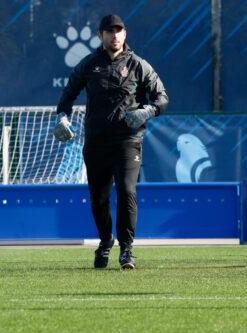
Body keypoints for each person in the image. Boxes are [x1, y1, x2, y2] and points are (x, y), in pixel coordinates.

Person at [54, 14, 168, 270]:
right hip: (96, 142)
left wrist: (147, 111)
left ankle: (127, 250)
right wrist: (63, 117)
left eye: (119, 30)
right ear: (100, 36)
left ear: (125, 35)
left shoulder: (139, 65)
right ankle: (106, 241)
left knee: (127, 191)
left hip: (128, 140)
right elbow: (68, 94)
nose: (114, 35)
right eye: (109, 31)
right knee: (99, 199)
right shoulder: (89, 64)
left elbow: (162, 97)